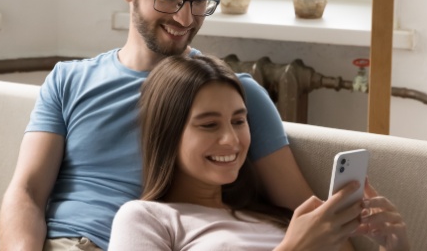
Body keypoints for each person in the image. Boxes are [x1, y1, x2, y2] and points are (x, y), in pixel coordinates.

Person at [0, 0, 329, 250]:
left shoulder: (232, 96)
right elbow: (27, 192)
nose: (185, 19)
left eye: (199, 0)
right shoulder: (68, 81)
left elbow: (307, 215)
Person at [108, 55, 408, 250]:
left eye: (239, 121)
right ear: (168, 133)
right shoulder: (145, 218)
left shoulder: (276, 218)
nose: (231, 139)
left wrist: (394, 246)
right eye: (209, 125)